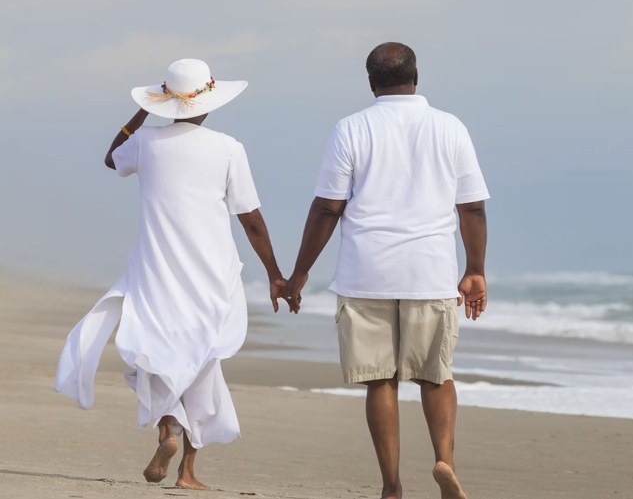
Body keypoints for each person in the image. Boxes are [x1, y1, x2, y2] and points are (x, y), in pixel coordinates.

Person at [55, 58, 288, 490]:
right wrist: (276, 274)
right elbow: (251, 218)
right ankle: (188, 473)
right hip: (211, 273)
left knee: (158, 355)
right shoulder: (228, 147)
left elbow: (111, 158)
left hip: (156, 269)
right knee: (203, 359)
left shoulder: (145, 142)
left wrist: (146, 109)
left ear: (166, 100)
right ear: (209, 101)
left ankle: (167, 432)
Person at [286, 42, 489, 499]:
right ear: (417, 76)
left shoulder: (351, 128)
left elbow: (327, 210)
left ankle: (392, 486)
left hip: (366, 271)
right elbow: (471, 207)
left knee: (380, 379)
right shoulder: (449, 127)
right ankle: (444, 460)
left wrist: (297, 275)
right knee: (436, 374)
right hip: (430, 269)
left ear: (370, 82)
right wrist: (475, 268)